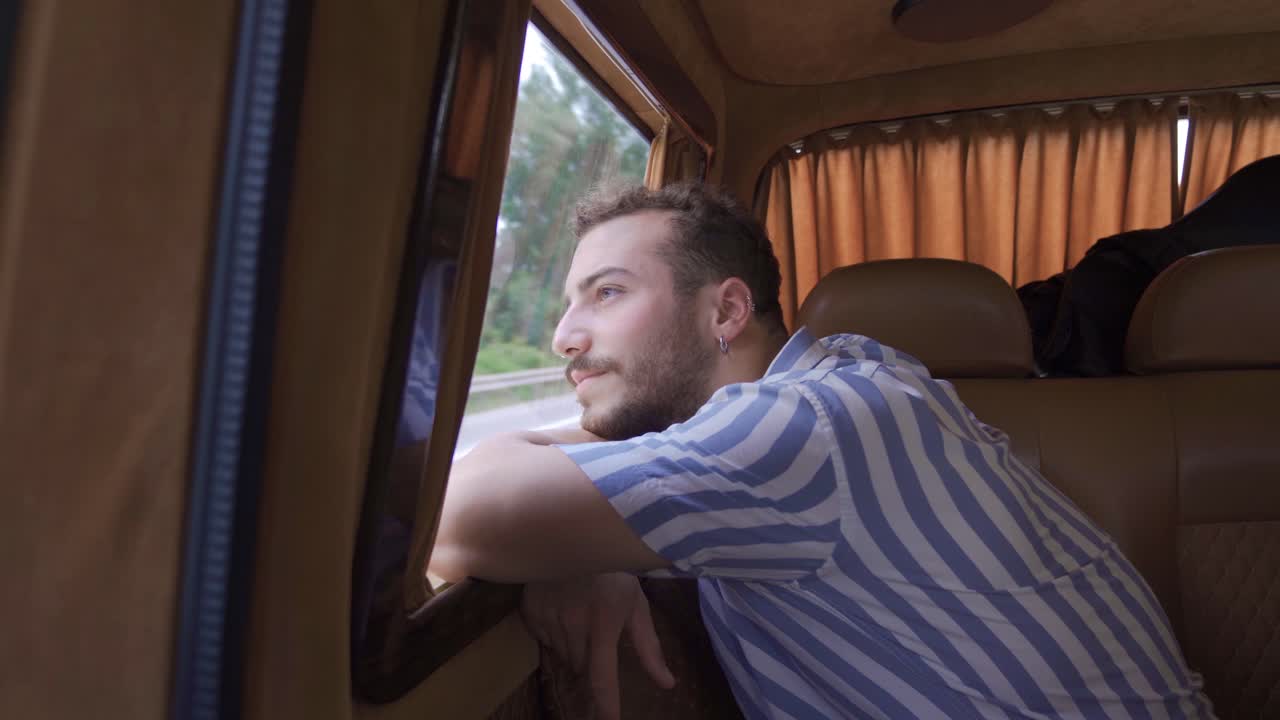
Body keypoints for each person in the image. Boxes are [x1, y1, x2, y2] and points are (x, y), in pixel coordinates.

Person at [429, 182, 1214, 719]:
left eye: (606, 293)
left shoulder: (804, 430)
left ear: (727, 310)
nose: (564, 336)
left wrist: (564, 530)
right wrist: (582, 538)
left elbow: (457, 515)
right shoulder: (861, 380)